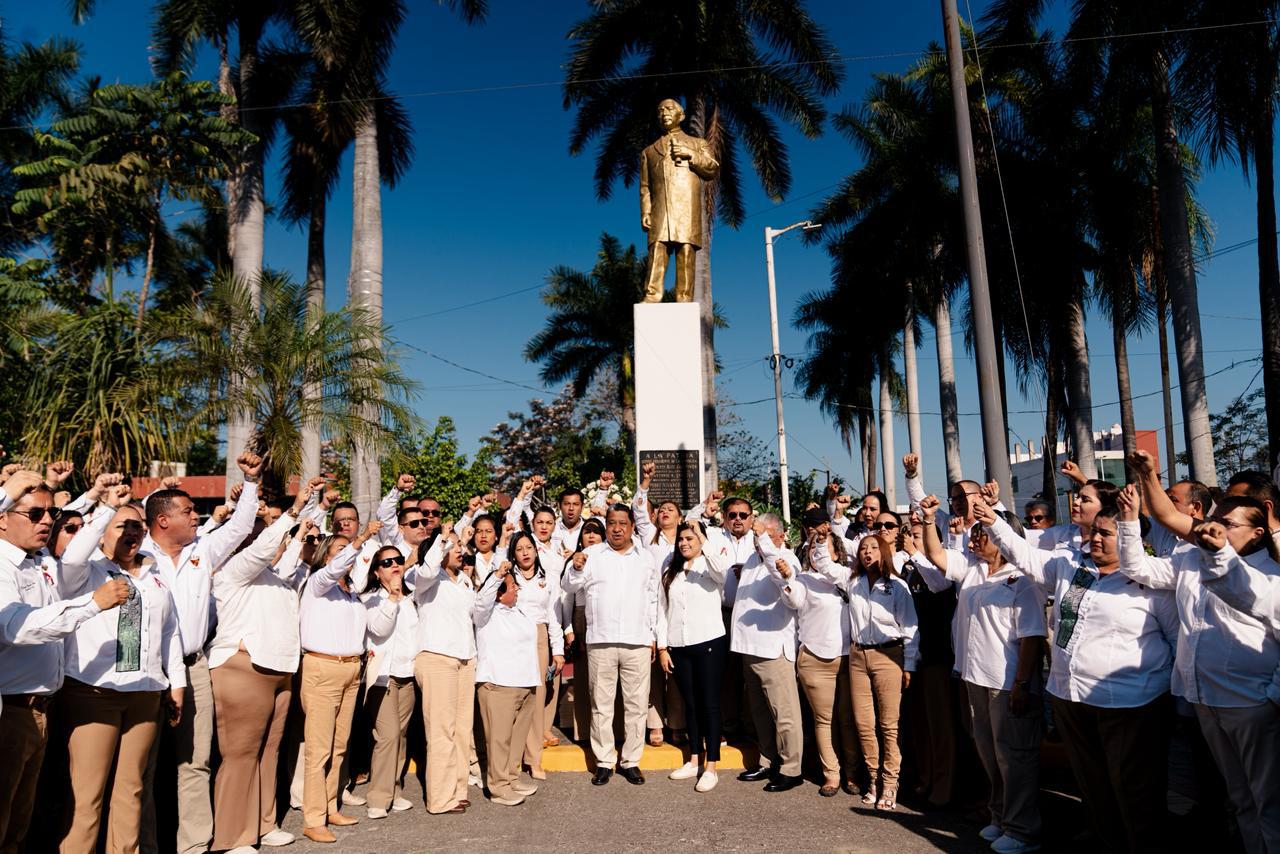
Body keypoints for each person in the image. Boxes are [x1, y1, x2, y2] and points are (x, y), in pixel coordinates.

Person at [978, 496, 1178, 853]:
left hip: (1130, 704)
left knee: (1134, 790)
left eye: (1106, 534)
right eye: (1094, 531)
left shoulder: (1152, 584)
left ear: (1130, 537)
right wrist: (993, 521)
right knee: (1093, 785)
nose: (1095, 539)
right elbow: (1025, 556)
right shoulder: (1071, 566)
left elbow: (1177, 642)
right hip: (1070, 697)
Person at [1117, 483, 1280, 853]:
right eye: (1215, 520)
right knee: (1239, 797)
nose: (1215, 528)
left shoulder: (1271, 575)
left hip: (1251, 705)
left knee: (1269, 800)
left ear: (1257, 532)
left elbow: (1237, 586)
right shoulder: (1192, 559)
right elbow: (1138, 567)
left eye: (1229, 524)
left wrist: (1271, 696)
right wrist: (1128, 521)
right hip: (1204, 699)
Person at [139, 451, 264, 854]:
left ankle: (193, 845)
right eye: (189, 511)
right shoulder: (137, 553)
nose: (197, 517)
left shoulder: (203, 549)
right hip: (147, 671)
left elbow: (240, 526)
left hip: (194, 666)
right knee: (143, 766)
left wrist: (251, 480)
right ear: (163, 520)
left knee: (195, 761)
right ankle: (145, 845)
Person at [0, 471, 130, 853]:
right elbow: (17, 628)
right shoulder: (2, 565)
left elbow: (75, 547)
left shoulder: (38, 559)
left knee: (19, 825)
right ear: (2, 518)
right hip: (11, 712)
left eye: (50, 514)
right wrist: (93, 603)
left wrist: (104, 505)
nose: (47, 521)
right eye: (35, 514)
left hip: (41, 709)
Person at [55, 484, 185, 854]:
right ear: (101, 533)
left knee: (132, 790)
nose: (132, 532)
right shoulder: (85, 571)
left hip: (145, 692)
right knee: (87, 796)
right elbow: (72, 558)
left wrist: (176, 683)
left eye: (138, 526)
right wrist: (106, 509)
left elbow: (170, 631)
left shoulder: (154, 573)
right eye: (121, 526)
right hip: (95, 693)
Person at [917, 495, 1046, 852]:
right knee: (990, 753)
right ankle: (1001, 816)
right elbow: (936, 555)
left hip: (1007, 683)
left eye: (981, 534)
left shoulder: (1023, 579)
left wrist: (1022, 684)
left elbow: (1032, 637)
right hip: (975, 677)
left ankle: (1023, 830)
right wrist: (928, 520)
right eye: (973, 534)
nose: (973, 539)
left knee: (1014, 756)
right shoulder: (972, 568)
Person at [206, 484, 317, 853]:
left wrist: (305, 517)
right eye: (257, 532)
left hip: (279, 673)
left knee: (268, 753)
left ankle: (263, 823)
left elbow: (288, 554)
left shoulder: (274, 575)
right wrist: (292, 510)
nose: (267, 538)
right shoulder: (232, 569)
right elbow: (262, 549)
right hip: (243, 670)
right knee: (240, 756)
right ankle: (232, 837)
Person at [298, 521, 394, 844]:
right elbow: (336, 567)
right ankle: (313, 819)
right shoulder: (318, 583)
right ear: (327, 556)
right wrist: (362, 537)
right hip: (323, 668)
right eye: (339, 550)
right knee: (319, 749)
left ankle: (329, 806)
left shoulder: (351, 591)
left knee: (339, 746)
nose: (349, 554)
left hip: (351, 670)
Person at [811, 532, 918, 810]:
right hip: (858, 656)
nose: (868, 552)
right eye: (863, 549)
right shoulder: (852, 581)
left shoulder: (897, 586)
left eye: (873, 548)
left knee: (889, 725)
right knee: (864, 723)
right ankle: (873, 779)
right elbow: (824, 565)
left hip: (888, 654)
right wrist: (821, 541)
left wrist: (909, 664)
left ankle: (890, 782)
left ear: (883, 552)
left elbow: (910, 627)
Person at [562, 504, 659, 787]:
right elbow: (569, 586)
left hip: (637, 640)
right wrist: (575, 567)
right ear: (606, 525)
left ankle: (631, 761)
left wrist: (654, 636)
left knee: (636, 705)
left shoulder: (645, 558)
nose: (617, 529)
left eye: (623, 523)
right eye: (612, 523)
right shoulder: (592, 555)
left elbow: (654, 599)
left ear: (632, 527)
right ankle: (604, 761)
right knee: (601, 704)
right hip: (601, 640)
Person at [786, 507, 859, 797]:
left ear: (837, 554)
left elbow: (827, 566)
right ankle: (831, 774)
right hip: (814, 659)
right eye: (815, 550)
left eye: (825, 548)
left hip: (848, 659)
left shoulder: (848, 578)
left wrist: (819, 542)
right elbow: (793, 601)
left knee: (848, 720)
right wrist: (785, 579)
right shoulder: (803, 580)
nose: (819, 555)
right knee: (823, 720)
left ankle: (853, 773)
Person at [732, 513, 805, 793]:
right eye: (756, 535)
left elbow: (782, 579)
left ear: (781, 535)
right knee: (759, 712)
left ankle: (791, 768)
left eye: (765, 533)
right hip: (748, 648)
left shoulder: (786, 559)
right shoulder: (754, 559)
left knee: (784, 713)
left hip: (773, 649)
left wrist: (764, 540)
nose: (758, 539)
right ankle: (768, 759)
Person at [407, 530, 477, 814]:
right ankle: (439, 798)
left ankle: (457, 790)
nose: (460, 549)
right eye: (453, 545)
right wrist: (443, 539)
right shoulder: (424, 577)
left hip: (465, 658)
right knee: (441, 731)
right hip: (437, 658)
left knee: (461, 730)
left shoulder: (464, 581)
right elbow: (426, 569)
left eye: (460, 545)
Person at [656, 520, 729, 793]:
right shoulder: (670, 571)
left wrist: (703, 536)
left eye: (691, 538)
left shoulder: (710, 566)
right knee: (691, 704)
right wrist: (663, 647)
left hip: (709, 642)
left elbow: (722, 571)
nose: (685, 543)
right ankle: (694, 758)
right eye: (681, 539)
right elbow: (662, 611)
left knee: (709, 704)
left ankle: (711, 766)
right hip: (679, 645)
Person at [472, 563, 541, 806]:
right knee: (499, 739)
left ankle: (511, 777)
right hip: (499, 683)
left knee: (516, 737)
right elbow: (483, 600)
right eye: (512, 586)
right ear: (499, 593)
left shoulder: (519, 611)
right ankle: (498, 787)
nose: (517, 589)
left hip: (525, 682)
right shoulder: (486, 613)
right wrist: (498, 575)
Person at [639, 97, 720, 302]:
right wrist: (646, 211)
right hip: (660, 210)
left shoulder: (697, 144)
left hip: (686, 208)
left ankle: (684, 297)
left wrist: (690, 154)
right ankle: (652, 295)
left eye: (669, 108)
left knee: (685, 249)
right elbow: (645, 187)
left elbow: (712, 168)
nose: (664, 113)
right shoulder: (648, 152)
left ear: (681, 115)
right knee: (657, 249)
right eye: (660, 110)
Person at [361, 543, 419, 820]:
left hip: (408, 675)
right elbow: (379, 629)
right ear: (376, 572)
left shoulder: (412, 597)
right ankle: (378, 797)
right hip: (383, 677)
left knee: (401, 735)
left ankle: (394, 790)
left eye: (398, 560)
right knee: (388, 735)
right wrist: (393, 598)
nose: (394, 565)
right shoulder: (371, 599)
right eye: (387, 562)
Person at [502, 529, 564, 780]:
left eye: (529, 548)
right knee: (514, 697)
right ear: (513, 554)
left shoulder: (548, 578)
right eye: (519, 549)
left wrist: (557, 651)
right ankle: (512, 757)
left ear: (536, 551)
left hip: (539, 636)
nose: (525, 553)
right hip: (512, 637)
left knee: (536, 699)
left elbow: (554, 616)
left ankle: (534, 758)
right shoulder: (508, 577)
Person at [561, 517, 606, 744]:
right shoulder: (574, 561)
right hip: (581, 619)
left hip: (605, 619)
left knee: (605, 679)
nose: (591, 536)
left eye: (596, 532)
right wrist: (569, 630)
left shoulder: (609, 558)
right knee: (583, 678)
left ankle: (609, 732)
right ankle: (584, 732)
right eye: (587, 532)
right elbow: (567, 598)